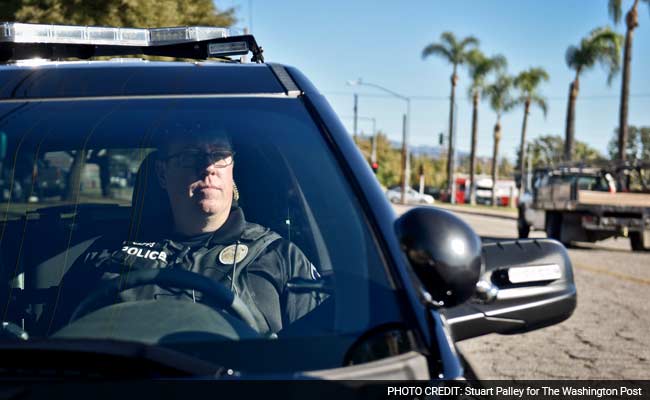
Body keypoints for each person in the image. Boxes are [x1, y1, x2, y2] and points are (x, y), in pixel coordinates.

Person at [50, 129, 324, 335]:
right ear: (161, 173)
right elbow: (53, 351)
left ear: (232, 168)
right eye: (189, 156)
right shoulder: (107, 254)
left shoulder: (280, 257)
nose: (207, 167)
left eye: (219, 155)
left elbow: (319, 360)